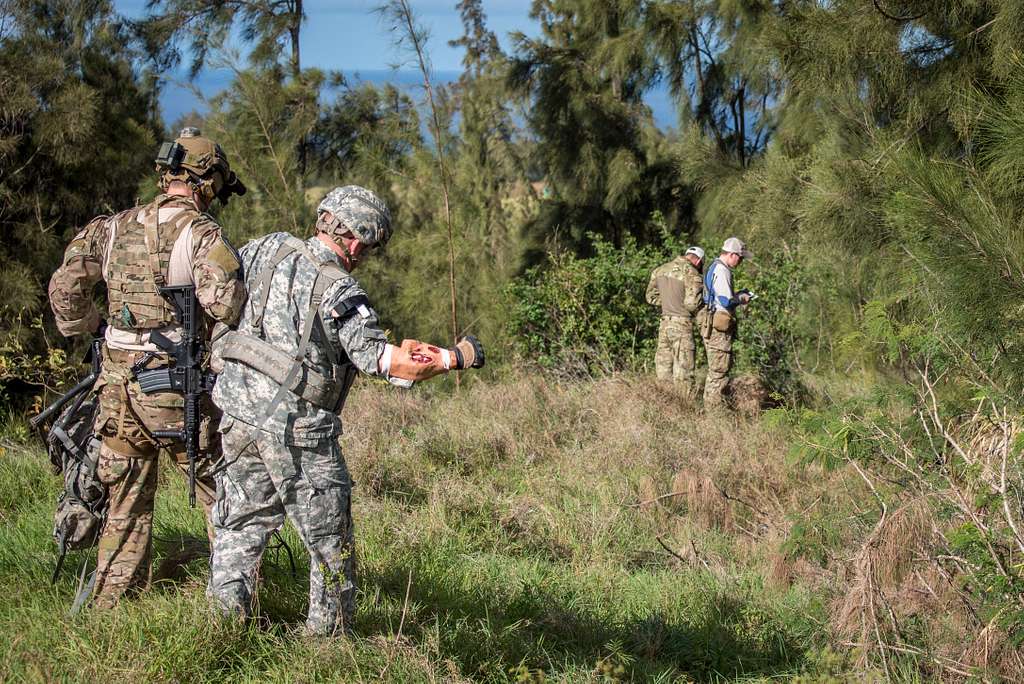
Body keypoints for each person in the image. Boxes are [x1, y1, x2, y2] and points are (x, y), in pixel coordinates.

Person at [206, 185, 485, 636]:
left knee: (239, 524)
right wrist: (456, 357)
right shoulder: (339, 288)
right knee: (329, 541)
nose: (365, 258)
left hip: (236, 416)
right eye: (369, 249)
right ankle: (329, 641)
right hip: (296, 431)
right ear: (356, 240)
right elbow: (384, 362)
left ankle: (222, 626)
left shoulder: (265, 248)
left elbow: (220, 294)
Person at [47, 128, 247, 608]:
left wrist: (97, 330)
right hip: (178, 393)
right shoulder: (202, 234)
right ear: (204, 181)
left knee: (125, 505)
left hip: (116, 391)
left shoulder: (110, 227)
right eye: (217, 184)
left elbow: (64, 291)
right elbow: (227, 303)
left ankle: (112, 605)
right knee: (221, 497)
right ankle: (233, 603)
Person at [646, 246, 706, 399]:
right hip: (682, 324)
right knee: (684, 371)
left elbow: (650, 297)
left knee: (663, 369)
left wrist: (668, 302)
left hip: (664, 323)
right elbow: (692, 304)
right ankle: (684, 408)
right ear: (698, 260)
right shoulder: (691, 272)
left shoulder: (660, 270)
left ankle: (664, 404)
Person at [701, 237, 753, 409]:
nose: (741, 261)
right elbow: (724, 301)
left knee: (716, 372)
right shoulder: (722, 270)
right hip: (719, 328)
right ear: (732, 254)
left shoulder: (715, 267)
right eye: (740, 257)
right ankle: (714, 415)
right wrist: (742, 298)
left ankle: (713, 411)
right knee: (719, 373)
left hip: (712, 323)